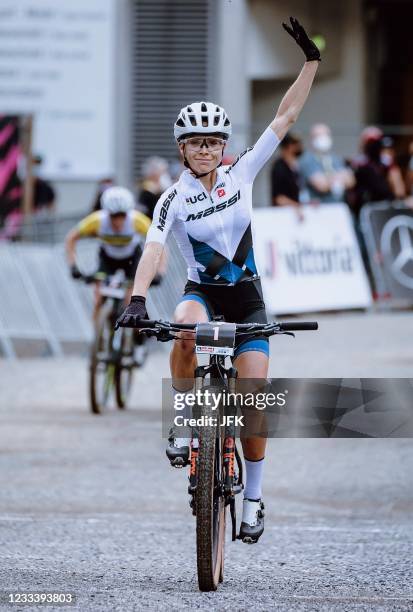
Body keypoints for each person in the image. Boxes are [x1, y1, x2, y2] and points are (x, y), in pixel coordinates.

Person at [116, 17, 320, 544]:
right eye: (195, 144)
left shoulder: (243, 172)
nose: (205, 150)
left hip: (248, 297)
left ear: (222, 145)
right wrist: (137, 297)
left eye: (212, 142)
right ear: (182, 149)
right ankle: (184, 420)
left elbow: (286, 114)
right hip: (203, 294)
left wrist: (311, 62)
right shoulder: (171, 198)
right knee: (183, 324)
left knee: (253, 404)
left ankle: (252, 498)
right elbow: (154, 248)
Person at [65, 187, 152, 321]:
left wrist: (159, 271)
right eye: (113, 216)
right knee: (98, 299)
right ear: (107, 213)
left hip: (132, 258)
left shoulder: (137, 221)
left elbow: (160, 244)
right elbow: (71, 238)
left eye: (122, 216)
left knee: (131, 300)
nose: (118, 221)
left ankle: (133, 335)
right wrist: (73, 266)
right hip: (107, 258)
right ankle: (96, 337)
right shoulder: (97, 220)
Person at [299, 123, 354, 203]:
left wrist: (328, 179)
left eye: (326, 135)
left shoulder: (335, 158)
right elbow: (322, 186)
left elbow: (350, 181)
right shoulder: (307, 159)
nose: (323, 138)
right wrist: (340, 177)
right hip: (319, 208)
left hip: (338, 205)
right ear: (312, 139)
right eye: (319, 136)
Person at [270, 132, 304, 219]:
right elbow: (278, 198)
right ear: (289, 146)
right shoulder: (279, 168)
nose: (300, 146)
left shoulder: (294, 166)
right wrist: (296, 206)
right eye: (296, 144)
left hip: (295, 214)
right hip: (283, 216)